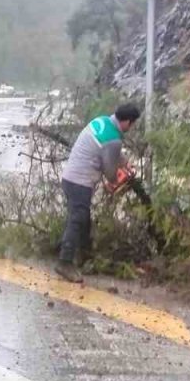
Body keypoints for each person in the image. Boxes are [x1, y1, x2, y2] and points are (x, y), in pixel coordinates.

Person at [56, 103, 141, 282]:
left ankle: (85, 257)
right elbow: (110, 170)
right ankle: (64, 262)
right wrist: (116, 182)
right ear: (126, 122)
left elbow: (108, 152)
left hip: (69, 178)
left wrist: (124, 163)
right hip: (80, 182)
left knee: (83, 220)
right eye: (132, 124)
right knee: (78, 219)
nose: (131, 128)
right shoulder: (114, 139)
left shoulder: (102, 121)